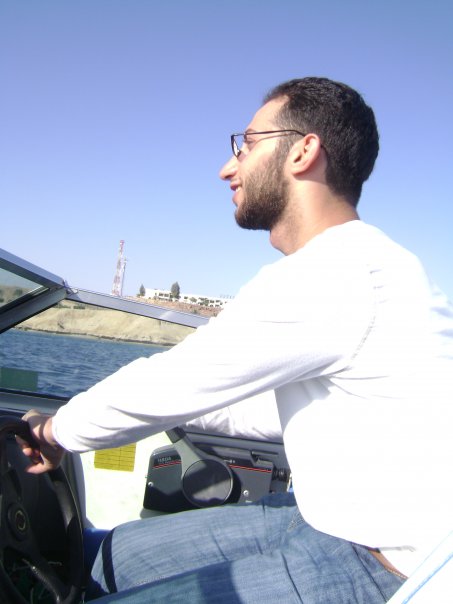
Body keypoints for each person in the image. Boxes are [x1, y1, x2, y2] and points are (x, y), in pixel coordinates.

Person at [22, 77, 453, 603]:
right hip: (332, 519)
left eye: (246, 144)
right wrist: (185, 413)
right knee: (111, 557)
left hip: (390, 565)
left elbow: (169, 381)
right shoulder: (364, 268)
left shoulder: (339, 271)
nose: (229, 167)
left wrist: (54, 430)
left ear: (303, 151)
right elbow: (264, 411)